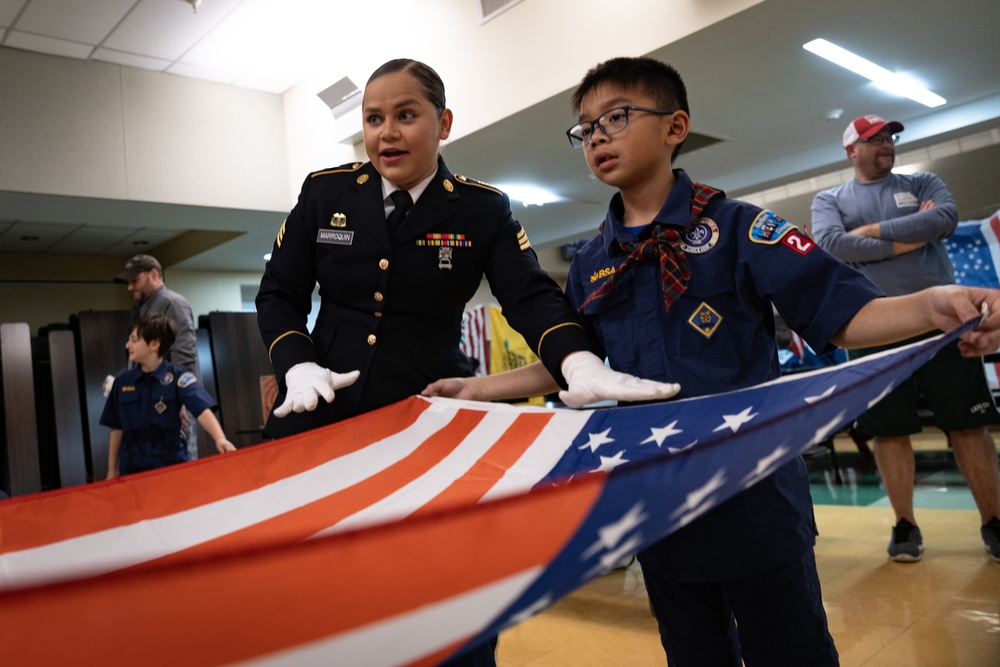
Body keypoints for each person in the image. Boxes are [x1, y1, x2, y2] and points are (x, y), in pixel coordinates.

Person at [423, 57, 1000, 665]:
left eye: (616, 117)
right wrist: (482, 388)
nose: (597, 136)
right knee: (693, 654)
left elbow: (842, 313)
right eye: (586, 129)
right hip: (657, 502)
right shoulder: (595, 260)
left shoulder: (741, 229)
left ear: (676, 127)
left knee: (791, 650)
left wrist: (933, 303)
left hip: (751, 495)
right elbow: (574, 361)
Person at [254, 58, 679, 667]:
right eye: (374, 119)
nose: (387, 133)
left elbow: (529, 295)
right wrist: (297, 363)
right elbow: (280, 293)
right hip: (319, 419)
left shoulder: (481, 209)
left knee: (451, 604)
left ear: (443, 122)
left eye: (406, 115)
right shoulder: (326, 192)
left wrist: (576, 358)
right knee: (320, 606)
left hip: (424, 427)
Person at [811, 115, 1000, 563]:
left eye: (889, 138)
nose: (886, 145)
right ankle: (904, 524)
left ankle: (994, 520)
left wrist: (872, 233)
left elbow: (947, 220)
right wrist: (916, 233)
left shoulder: (923, 182)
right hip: (873, 328)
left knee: (968, 424)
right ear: (850, 150)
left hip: (947, 323)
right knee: (888, 432)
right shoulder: (829, 198)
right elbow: (833, 247)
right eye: (874, 139)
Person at [101, 313, 235, 479]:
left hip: (172, 470)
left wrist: (220, 438)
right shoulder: (121, 383)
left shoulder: (177, 378)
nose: (128, 345)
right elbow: (116, 428)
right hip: (133, 472)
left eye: (134, 340)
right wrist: (111, 470)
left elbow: (201, 409)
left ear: (155, 344)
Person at [112, 254, 203, 461]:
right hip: (149, 403)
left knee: (180, 471)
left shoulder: (172, 303)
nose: (130, 287)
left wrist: (181, 399)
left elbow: (185, 355)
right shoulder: (143, 308)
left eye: (134, 280)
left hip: (173, 403)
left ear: (153, 275)